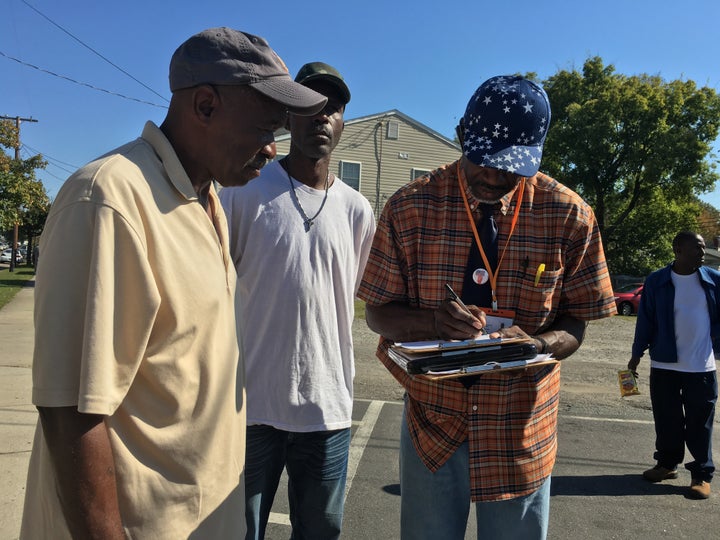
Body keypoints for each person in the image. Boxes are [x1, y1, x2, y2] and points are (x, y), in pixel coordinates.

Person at [20, 27, 327, 539]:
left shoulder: (207, 200)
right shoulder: (110, 200)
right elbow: (70, 407)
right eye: (266, 127)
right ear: (204, 105)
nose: (274, 149)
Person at [357, 75, 616, 539]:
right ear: (460, 135)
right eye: (485, 161)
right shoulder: (409, 208)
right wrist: (432, 321)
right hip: (434, 423)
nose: (495, 176)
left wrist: (538, 344)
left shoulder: (568, 214)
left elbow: (577, 319)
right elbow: (378, 313)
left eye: (512, 166)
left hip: (521, 427)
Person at [219, 61, 375, 540]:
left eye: (334, 108)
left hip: (326, 409)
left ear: (344, 122)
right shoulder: (242, 193)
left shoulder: (357, 210)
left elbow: (349, 299)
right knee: (236, 531)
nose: (322, 116)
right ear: (287, 116)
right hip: (249, 407)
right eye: (309, 106)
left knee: (319, 533)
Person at [628, 231, 719, 500]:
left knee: (699, 423)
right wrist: (636, 355)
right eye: (697, 248)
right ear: (678, 248)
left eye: (703, 249)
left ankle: (701, 475)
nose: (702, 253)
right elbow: (645, 321)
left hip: (701, 367)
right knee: (666, 420)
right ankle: (667, 465)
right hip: (664, 364)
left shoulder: (714, 280)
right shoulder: (657, 281)